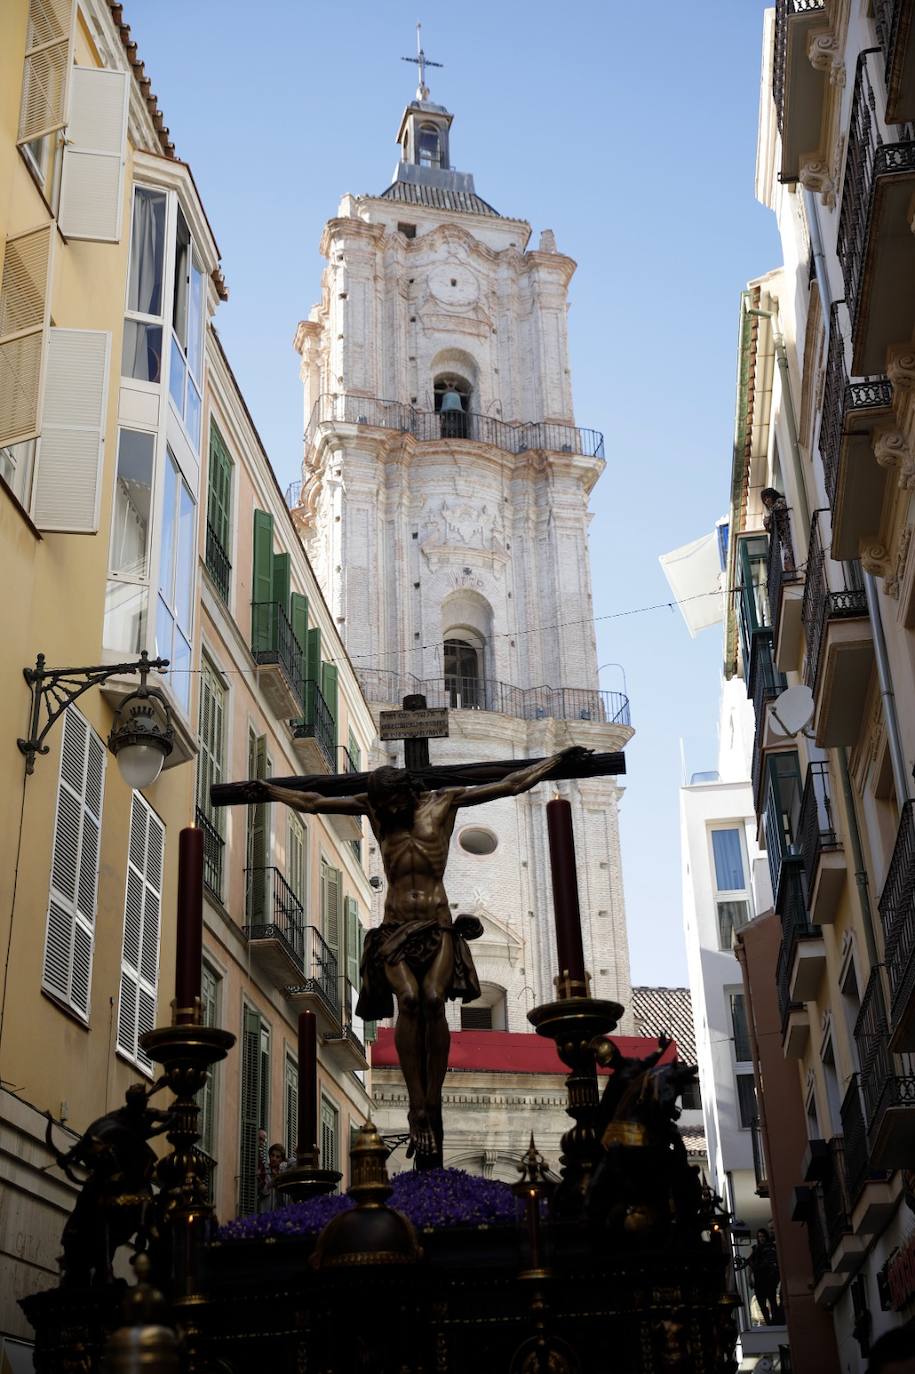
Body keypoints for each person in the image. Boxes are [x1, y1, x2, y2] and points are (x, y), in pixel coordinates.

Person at [240, 745, 588, 1163]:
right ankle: (417, 1105)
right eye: (382, 804)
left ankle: (430, 1100)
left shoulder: (444, 803)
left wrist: (556, 762)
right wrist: (269, 789)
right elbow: (314, 802)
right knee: (407, 1000)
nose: (387, 810)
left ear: (407, 792)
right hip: (394, 929)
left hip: (437, 927)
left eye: (392, 802)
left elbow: (510, 784)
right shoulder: (376, 810)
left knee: (432, 1001)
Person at [743, 1227, 781, 1325]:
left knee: (772, 1301)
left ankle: (775, 1322)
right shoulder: (755, 1249)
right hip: (759, 1280)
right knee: (761, 1303)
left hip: (769, 1279)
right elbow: (750, 1263)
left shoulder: (771, 1247)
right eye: (759, 1236)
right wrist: (749, 1278)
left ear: (766, 1237)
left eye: (763, 1236)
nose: (761, 1238)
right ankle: (768, 1322)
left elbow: (774, 1262)